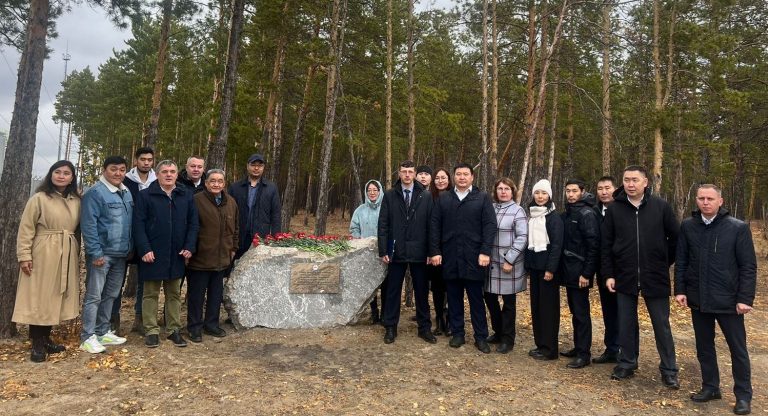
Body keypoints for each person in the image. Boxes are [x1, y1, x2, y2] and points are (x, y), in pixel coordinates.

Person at [675, 184, 756, 415]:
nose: (705, 202)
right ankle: (710, 387)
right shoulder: (689, 227)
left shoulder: (737, 228)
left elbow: (748, 266)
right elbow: (681, 261)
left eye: (710, 198)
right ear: (697, 201)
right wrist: (680, 290)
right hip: (699, 299)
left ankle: (743, 396)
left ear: (720, 201)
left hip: (729, 301)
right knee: (704, 347)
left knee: (737, 349)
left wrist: (744, 298)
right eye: (701, 198)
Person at [602, 165, 679, 388]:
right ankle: (626, 363)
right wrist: (609, 274)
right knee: (626, 323)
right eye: (626, 180)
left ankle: (669, 369)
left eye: (635, 180)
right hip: (624, 277)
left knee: (661, 325)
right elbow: (606, 245)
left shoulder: (661, 207)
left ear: (645, 182)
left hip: (655, 277)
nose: (631, 184)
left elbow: (675, 239)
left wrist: (662, 263)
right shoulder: (615, 209)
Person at [13, 161, 81, 363]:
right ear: (51, 174)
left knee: (55, 297)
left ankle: (46, 338)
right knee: (40, 296)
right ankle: (37, 343)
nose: (61, 176)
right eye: (57, 172)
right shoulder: (39, 199)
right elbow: (26, 228)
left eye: (66, 173)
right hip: (44, 251)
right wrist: (24, 255)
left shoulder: (75, 200)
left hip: (66, 250)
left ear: (71, 177)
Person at [429, 163, 496, 353]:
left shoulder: (482, 198)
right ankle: (458, 333)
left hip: (475, 258)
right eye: (458, 174)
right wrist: (435, 251)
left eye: (466, 174)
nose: (462, 177)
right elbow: (435, 226)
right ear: (454, 177)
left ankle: (480, 336)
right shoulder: (444, 199)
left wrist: (485, 251)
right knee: (454, 298)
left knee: (476, 299)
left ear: (472, 177)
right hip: (450, 257)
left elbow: (490, 226)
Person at [134, 160, 199, 348]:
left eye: (172, 171)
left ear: (177, 175)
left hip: (177, 253)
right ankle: (151, 331)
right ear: (158, 174)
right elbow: (138, 225)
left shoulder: (186, 196)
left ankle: (173, 330)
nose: (169, 175)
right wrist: (144, 249)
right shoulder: (146, 196)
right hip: (152, 253)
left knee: (174, 294)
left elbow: (193, 224)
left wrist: (189, 246)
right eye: (164, 172)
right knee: (150, 294)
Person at [79, 156, 133, 354]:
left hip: (120, 254)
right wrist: (95, 252)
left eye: (122, 169)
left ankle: (102, 331)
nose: (118, 173)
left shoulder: (125, 192)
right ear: (104, 170)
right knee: (94, 295)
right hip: (102, 254)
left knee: (111, 294)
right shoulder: (95, 193)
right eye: (113, 169)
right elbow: (89, 225)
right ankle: (87, 336)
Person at [378, 161, 434, 344]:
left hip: (419, 250)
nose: (407, 175)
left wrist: (431, 251)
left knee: (421, 291)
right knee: (393, 290)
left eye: (411, 172)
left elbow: (431, 226)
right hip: (396, 250)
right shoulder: (390, 195)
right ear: (399, 173)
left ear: (415, 174)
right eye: (404, 172)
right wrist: (384, 249)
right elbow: (383, 224)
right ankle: (390, 327)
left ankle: (424, 328)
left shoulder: (425, 196)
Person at [187, 169, 238, 342]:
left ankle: (211, 324)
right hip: (200, 259)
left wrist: (233, 249)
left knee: (215, 295)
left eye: (220, 181)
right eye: (212, 181)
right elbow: (190, 228)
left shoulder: (231, 202)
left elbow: (236, 228)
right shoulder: (196, 201)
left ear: (224, 184)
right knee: (196, 296)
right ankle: (194, 327)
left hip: (222, 258)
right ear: (206, 183)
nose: (216, 184)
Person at [558, 179, 600, 368]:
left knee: (582, 313)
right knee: (575, 311)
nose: (571, 194)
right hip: (568, 270)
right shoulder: (569, 212)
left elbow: (593, 246)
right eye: (568, 191)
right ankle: (578, 346)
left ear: (582, 192)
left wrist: (587, 273)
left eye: (574, 191)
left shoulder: (587, 213)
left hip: (580, 272)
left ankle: (584, 354)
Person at [484, 177, 528, 354]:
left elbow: (522, 237)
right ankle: (498, 331)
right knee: (489, 298)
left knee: (508, 303)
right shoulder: (491, 209)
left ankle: (508, 339)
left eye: (506, 189)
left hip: (508, 263)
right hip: (490, 262)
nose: (503, 191)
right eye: (500, 189)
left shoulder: (518, 211)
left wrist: (509, 259)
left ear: (512, 191)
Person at [524, 179, 563, 361]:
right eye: (537, 193)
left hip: (548, 271)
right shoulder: (531, 215)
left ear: (549, 196)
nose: (540, 197)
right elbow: (528, 244)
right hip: (535, 268)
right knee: (537, 308)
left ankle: (550, 349)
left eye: (544, 193)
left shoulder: (553, 217)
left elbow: (556, 246)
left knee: (548, 310)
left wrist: (550, 269)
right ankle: (541, 344)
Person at [122, 146, 156, 334]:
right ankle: (113, 320)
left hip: (147, 238)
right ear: (136, 160)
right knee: (117, 281)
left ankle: (140, 319)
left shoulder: (156, 181)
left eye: (149, 160)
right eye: (143, 159)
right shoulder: (126, 180)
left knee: (146, 282)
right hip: (126, 236)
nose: (146, 162)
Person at [229, 153, 281, 260]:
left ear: (263, 168)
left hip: (260, 237)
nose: (256, 168)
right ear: (247, 166)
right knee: (234, 269)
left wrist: (276, 237)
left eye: (260, 165)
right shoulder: (235, 187)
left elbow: (276, 214)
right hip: (238, 237)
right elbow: (228, 212)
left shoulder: (271, 188)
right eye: (253, 165)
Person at [349, 179, 385, 324]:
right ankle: (374, 312)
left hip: (383, 253)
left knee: (385, 284)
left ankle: (385, 314)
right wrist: (359, 240)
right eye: (369, 190)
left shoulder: (385, 208)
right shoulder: (360, 210)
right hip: (366, 253)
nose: (372, 193)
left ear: (380, 191)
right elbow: (354, 228)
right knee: (370, 284)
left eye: (375, 190)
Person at [592, 176, 619, 364]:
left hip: (622, 270)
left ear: (615, 189)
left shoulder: (622, 210)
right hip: (602, 270)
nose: (604, 192)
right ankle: (611, 349)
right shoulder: (594, 212)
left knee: (624, 312)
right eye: (600, 188)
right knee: (608, 311)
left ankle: (627, 352)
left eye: (607, 188)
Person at [427, 168, 451, 336]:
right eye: (437, 178)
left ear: (449, 180)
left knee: (450, 287)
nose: (440, 181)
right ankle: (439, 321)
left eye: (443, 178)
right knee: (436, 288)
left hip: (451, 249)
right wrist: (430, 250)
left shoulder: (455, 197)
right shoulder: (429, 198)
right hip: (433, 250)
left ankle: (449, 320)